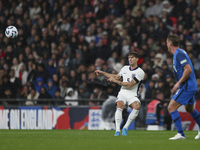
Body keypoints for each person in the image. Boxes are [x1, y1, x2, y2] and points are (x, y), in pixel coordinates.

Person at [94, 51, 145, 136]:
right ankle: (117, 130)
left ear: (137, 59)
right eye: (129, 57)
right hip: (123, 92)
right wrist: (102, 73)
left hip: (132, 94)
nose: (130, 59)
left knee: (136, 106)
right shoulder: (125, 68)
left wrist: (116, 81)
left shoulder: (140, 72)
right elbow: (115, 76)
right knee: (120, 105)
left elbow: (130, 84)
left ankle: (125, 127)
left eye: (132, 57)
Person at [166, 34, 200, 140]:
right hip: (190, 85)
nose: (166, 45)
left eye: (167, 42)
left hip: (187, 86)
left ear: (170, 43)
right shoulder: (179, 53)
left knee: (171, 107)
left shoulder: (179, 53)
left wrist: (178, 83)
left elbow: (188, 69)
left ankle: (181, 133)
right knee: (189, 108)